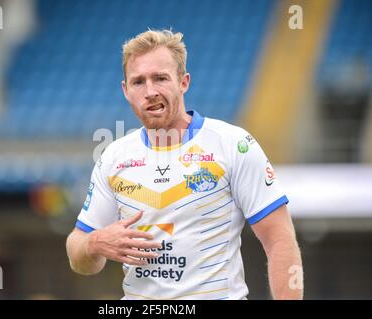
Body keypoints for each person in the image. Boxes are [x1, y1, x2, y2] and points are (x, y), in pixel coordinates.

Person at [66, 29, 303, 300]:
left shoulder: (233, 144)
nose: (150, 92)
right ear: (125, 90)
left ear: (184, 82)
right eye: (138, 82)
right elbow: (78, 251)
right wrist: (94, 244)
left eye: (160, 78)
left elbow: (280, 240)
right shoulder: (113, 157)